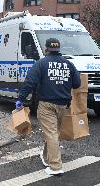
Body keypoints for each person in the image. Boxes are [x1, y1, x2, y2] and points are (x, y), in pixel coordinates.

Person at [16, 38, 81, 175]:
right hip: (63, 104)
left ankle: (55, 167)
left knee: (51, 133)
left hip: (46, 104)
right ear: (58, 49)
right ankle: (46, 157)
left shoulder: (41, 63)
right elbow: (77, 84)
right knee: (52, 132)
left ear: (46, 49)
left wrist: (21, 99)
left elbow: (30, 83)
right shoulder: (68, 64)